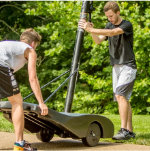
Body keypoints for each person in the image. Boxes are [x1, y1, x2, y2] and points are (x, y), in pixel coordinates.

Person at [78, 1, 137, 140]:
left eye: (111, 16)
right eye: (107, 17)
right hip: (116, 66)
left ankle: (123, 130)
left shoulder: (126, 25)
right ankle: (130, 131)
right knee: (124, 99)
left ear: (118, 13)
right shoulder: (108, 25)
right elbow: (98, 40)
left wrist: (90, 29)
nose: (109, 19)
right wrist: (92, 31)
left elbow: (112, 33)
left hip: (127, 66)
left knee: (120, 96)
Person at [0, 28, 48, 150]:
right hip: (1, 65)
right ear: (33, 43)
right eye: (36, 45)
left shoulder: (10, 45)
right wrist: (41, 103)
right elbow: (33, 78)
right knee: (16, 102)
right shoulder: (30, 50)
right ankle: (19, 144)